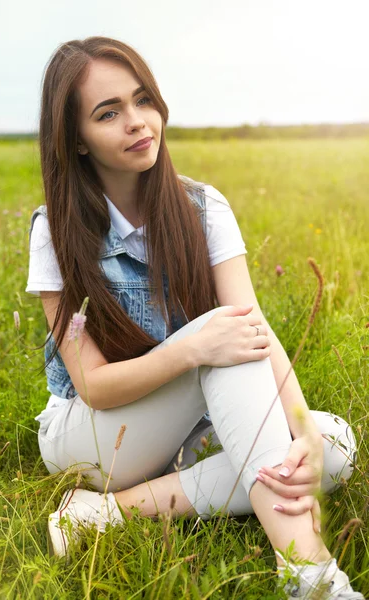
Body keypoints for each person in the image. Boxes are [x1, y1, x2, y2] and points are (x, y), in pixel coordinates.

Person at [26, 36, 363, 599]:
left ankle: (105, 515)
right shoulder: (55, 234)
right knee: (220, 337)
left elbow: (252, 329)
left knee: (332, 445)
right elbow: (93, 385)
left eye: (143, 101)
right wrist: (193, 349)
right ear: (76, 140)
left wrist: (299, 427)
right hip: (92, 436)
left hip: (183, 425)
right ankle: (313, 579)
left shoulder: (203, 209)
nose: (138, 123)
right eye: (108, 113)